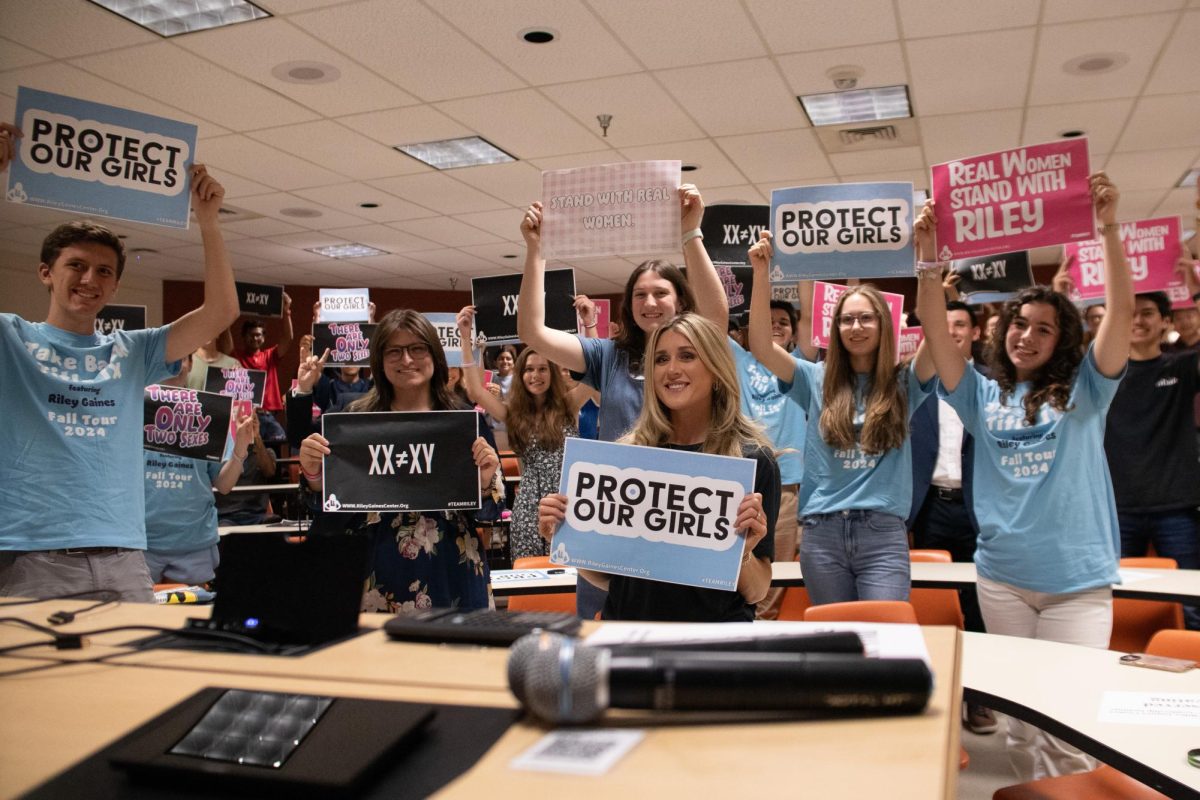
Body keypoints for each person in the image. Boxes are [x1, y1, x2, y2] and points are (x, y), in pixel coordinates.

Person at [914, 173, 1132, 781]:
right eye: (1018, 323)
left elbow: (1118, 313)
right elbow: (937, 330)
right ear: (1000, 330)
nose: (1026, 335)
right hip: (1003, 580)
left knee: (1069, 728)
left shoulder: (1088, 390)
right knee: (1018, 726)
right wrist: (929, 262)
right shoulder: (982, 396)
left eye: (1043, 327)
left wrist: (1109, 227)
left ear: (1063, 340)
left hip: (1075, 584)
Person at [0, 159, 238, 602]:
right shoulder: (11, 338)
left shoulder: (132, 351)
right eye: (76, 265)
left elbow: (221, 312)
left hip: (125, 556)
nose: (90, 279)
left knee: (135, 672)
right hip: (33, 556)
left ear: (114, 287)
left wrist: (208, 222)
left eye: (104, 271)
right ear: (45, 273)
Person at [516, 183, 729, 617]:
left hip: (682, 515)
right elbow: (533, 334)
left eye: (661, 293)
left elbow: (717, 317)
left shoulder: (700, 354)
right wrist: (536, 251)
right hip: (616, 516)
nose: (649, 302)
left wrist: (691, 234)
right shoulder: (608, 356)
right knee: (606, 635)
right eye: (639, 295)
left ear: (681, 300)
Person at [538, 313, 778, 622]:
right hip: (630, 638)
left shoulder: (753, 461)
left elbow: (757, 591)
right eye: (661, 359)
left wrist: (742, 552)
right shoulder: (627, 456)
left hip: (714, 644)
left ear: (718, 370)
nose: (672, 369)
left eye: (688, 356)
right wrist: (566, 534)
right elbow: (612, 579)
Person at [748, 234, 933, 607]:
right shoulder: (814, 378)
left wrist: (928, 262)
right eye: (847, 319)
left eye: (866, 318)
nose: (856, 327)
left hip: (882, 533)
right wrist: (762, 271)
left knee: (884, 643)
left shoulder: (905, 381)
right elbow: (762, 347)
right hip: (822, 532)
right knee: (837, 647)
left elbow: (937, 340)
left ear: (883, 325)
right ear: (836, 328)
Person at [298, 310, 503, 612]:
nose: (406, 360)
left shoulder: (464, 421)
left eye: (417, 348)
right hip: (373, 571)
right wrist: (314, 474)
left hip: (450, 570)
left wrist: (485, 481)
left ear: (434, 355)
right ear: (379, 360)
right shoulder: (353, 419)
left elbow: (493, 509)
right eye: (394, 351)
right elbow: (327, 506)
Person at [905, 300, 996, 735]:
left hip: (978, 508)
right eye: (946, 325)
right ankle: (935, 690)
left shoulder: (992, 386)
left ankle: (980, 700)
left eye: (960, 325)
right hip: (930, 507)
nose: (953, 332)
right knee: (934, 604)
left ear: (974, 333)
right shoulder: (917, 387)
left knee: (980, 608)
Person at [1102, 290, 1200, 630]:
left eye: (1147, 313)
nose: (1138, 321)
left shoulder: (1183, 366)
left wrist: (1197, 289)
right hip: (1119, 509)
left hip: (1176, 509)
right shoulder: (1103, 377)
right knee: (1120, 606)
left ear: (1166, 322)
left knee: (1192, 605)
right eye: (1130, 314)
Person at [458, 307, 580, 562]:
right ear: (521, 375)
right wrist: (466, 338)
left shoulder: (569, 406)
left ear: (553, 373)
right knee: (530, 578)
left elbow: (595, 380)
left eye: (543, 369)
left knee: (572, 580)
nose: (535, 375)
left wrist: (587, 327)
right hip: (529, 510)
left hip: (568, 505)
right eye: (528, 369)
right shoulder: (514, 414)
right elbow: (475, 392)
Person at [731, 295, 814, 620]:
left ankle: (762, 633)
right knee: (736, 567)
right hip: (742, 484)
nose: (776, 325)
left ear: (793, 333)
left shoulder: (799, 367)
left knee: (772, 573)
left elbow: (808, 318)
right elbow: (711, 312)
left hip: (788, 485)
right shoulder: (737, 359)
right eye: (769, 321)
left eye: (784, 322)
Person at [144, 355, 254, 584]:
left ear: (191, 364)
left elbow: (224, 485)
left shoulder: (210, 411)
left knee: (194, 614)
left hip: (195, 543)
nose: (173, 364)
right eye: (166, 357)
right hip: (142, 543)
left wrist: (240, 449)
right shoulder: (134, 406)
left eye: (181, 358)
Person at [233, 299, 293, 445]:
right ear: (243, 337)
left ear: (264, 337)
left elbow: (288, 338)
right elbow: (225, 339)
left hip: (268, 415)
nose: (255, 338)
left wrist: (286, 312)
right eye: (251, 335)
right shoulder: (236, 357)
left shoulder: (270, 356)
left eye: (258, 335)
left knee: (280, 445)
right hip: (246, 417)